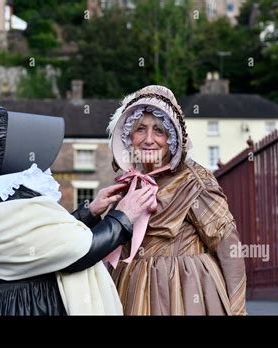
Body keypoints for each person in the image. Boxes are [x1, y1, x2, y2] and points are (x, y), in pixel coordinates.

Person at [0, 107, 154, 315]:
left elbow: (42, 242)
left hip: (4, 304)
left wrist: (90, 212)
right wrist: (123, 215)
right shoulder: (12, 199)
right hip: (29, 305)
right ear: (9, 151)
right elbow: (78, 252)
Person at [106, 85, 247, 315]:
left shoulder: (194, 181)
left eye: (159, 131)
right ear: (129, 135)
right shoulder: (128, 184)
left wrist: (238, 310)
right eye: (140, 129)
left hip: (185, 293)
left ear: (172, 137)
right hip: (131, 292)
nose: (149, 139)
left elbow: (228, 246)